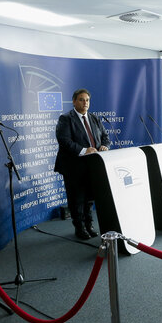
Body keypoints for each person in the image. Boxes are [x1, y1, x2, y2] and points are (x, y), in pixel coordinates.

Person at [54, 88, 110, 240]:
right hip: (73, 166)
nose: (85, 103)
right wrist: (84, 150)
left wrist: (104, 145)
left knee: (89, 198)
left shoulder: (94, 118)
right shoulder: (65, 118)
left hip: (93, 166)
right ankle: (79, 228)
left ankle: (89, 225)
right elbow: (64, 141)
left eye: (87, 100)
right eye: (81, 99)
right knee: (77, 199)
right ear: (74, 101)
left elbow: (105, 136)